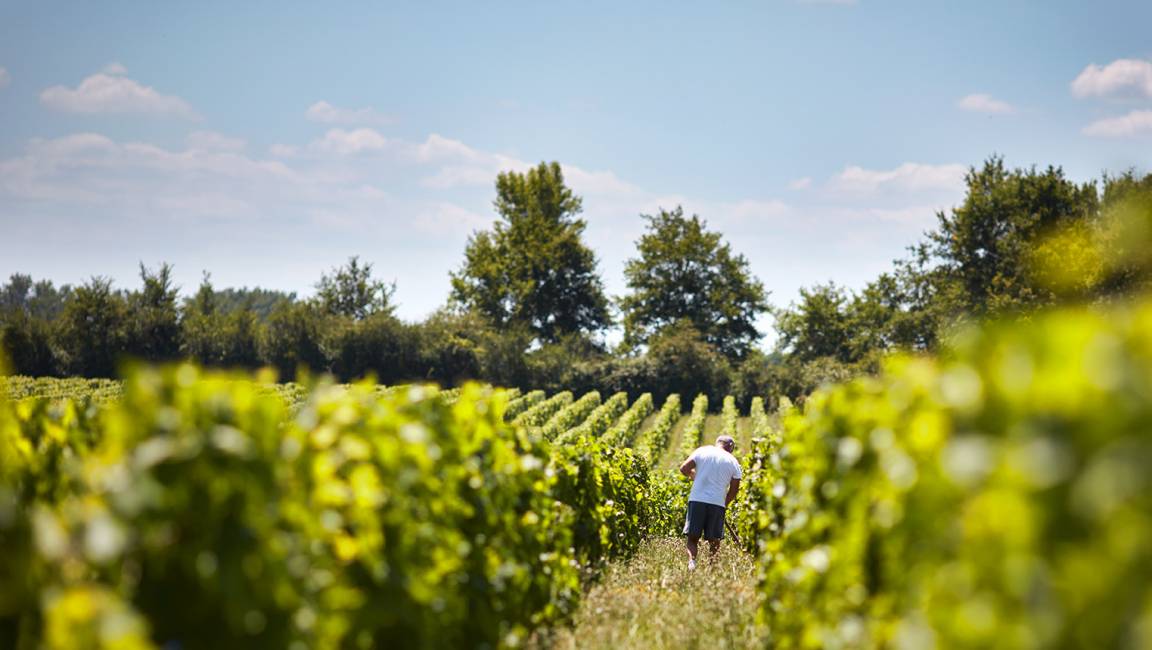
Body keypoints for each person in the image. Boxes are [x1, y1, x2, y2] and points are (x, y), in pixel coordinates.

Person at [679, 435, 742, 570]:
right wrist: (724, 503)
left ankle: (692, 563)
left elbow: (684, 468)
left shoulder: (702, 451)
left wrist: (693, 475)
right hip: (717, 503)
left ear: (717, 443)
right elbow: (735, 489)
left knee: (692, 539)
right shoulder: (733, 462)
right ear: (731, 447)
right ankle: (712, 570)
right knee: (714, 541)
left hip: (697, 500)